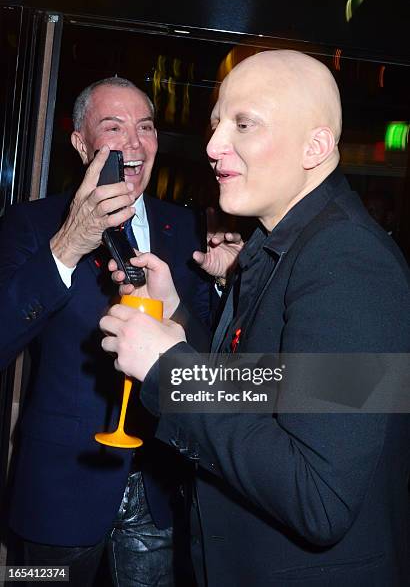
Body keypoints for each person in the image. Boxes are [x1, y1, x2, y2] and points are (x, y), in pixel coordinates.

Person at [100, 51, 410, 587]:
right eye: (218, 122)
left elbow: (319, 497)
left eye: (244, 123)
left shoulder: (346, 259)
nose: (214, 145)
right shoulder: (280, 244)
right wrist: (177, 316)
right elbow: (266, 387)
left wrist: (171, 372)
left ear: (315, 147)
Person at [0, 76, 214, 586]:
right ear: (80, 143)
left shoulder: (187, 230)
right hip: (57, 495)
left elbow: (207, 359)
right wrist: (67, 246)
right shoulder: (31, 224)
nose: (134, 142)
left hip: (160, 492)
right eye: (113, 127)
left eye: (145, 127)